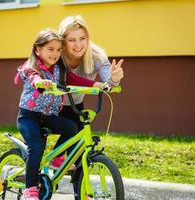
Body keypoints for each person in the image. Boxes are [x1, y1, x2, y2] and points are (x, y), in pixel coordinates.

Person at [15, 29, 105, 200]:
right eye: (51, 49)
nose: (55, 54)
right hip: (28, 117)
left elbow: (74, 80)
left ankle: (56, 158)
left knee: (71, 127)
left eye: (58, 50)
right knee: (36, 148)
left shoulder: (59, 69)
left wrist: (97, 85)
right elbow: (35, 79)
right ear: (38, 50)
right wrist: (42, 82)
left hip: (48, 116)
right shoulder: (31, 68)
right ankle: (30, 190)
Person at [51, 15, 124, 164]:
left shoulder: (96, 55)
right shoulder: (56, 54)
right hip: (51, 105)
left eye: (82, 38)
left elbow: (108, 81)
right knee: (60, 142)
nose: (78, 45)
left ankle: (78, 182)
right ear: (63, 41)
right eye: (71, 40)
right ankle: (48, 169)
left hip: (75, 105)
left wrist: (115, 78)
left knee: (78, 157)